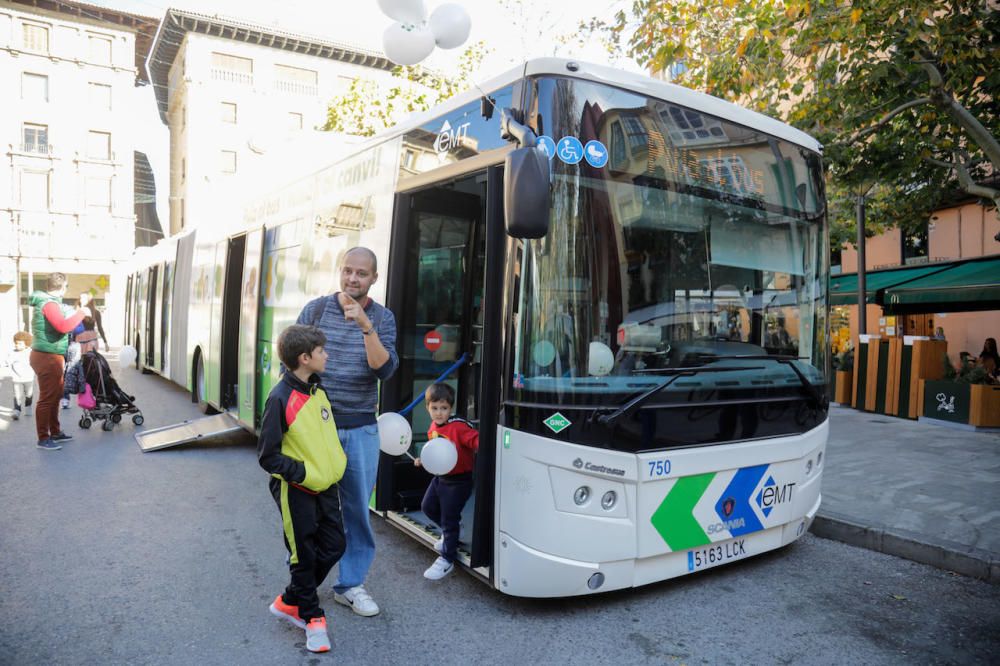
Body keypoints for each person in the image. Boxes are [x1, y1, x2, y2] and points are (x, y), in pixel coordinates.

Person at [295, 247, 398, 617]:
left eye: (362, 273)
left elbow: (384, 371)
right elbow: (292, 366)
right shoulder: (316, 310)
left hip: (360, 430)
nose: (353, 278)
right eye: (348, 271)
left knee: (356, 511)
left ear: (374, 279)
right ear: (341, 272)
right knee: (309, 513)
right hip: (316, 430)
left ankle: (350, 584)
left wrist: (365, 326)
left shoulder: (382, 318)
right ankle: (303, 584)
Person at [258, 324, 347, 654]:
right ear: (305, 358)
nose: (327, 355)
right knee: (303, 553)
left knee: (335, 545)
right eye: (322, 351)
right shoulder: (280, 398)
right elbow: (268, 456)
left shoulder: (317, 391)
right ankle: (312, 618)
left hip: (326, 486)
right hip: (297, 489)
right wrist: (305, 473)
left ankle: (292, 599)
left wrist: (331, 467)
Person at [414, 382, 479, 580]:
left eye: (444, 408)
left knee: (449, 519)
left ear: (451, 409)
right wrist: (423, 459)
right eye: (434, 408)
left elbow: (477, 441)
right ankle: (451, 534)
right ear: (427, 408)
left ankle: (447, 559)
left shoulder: (458, 427)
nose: (439, 413)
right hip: (441, 477)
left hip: (459, 481)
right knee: (428, 507)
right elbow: (435, 450)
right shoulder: (433, 427)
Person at [28, 273, 86, 450]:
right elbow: (63, 326)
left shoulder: (49, 302)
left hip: (50, 355)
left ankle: (55, 432)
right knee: (47, 399)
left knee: (54, 396)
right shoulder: (50, 304)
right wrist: (82, 313)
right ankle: (43, 438)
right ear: (63, 286)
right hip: (47, 356)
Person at [3, 331, 36, 420]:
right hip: (16, 378)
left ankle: (28, 406)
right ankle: (17, 411)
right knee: (17, 395)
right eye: (16, 343)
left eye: (20, 343)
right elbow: (7, 362)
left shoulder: (31, 352)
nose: (17, 345)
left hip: (28, 378)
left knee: (29, 394)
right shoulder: (13, 353)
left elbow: (36, 362)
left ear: (26, 344)